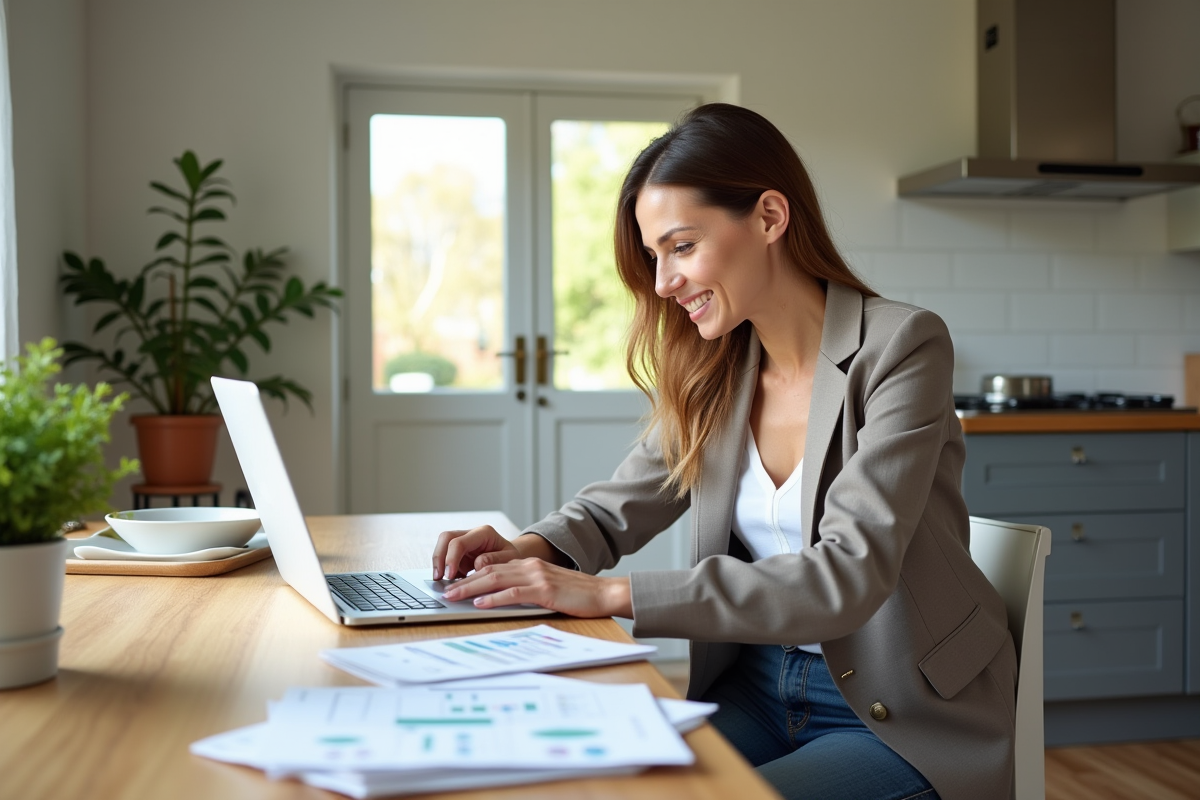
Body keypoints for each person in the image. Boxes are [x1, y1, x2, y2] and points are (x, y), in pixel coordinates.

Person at [431, 103, 1016, 800]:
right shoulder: (721, 369)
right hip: (756, 689)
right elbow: (615, 509)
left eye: (681, 247)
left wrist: (606, 594)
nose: (663, 282)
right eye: (654, 256)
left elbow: (849, 574)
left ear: (770, 217)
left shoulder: (901, 348)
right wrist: (526, 551)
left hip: (899, 713)